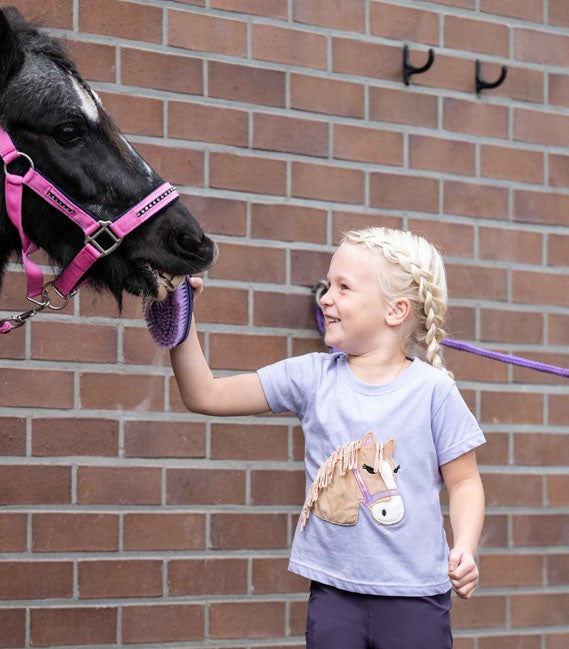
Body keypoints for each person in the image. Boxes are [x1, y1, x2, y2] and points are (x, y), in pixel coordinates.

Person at [170, 227, 485, 649]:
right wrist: (179, 314)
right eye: (329, 284)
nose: (325, 297)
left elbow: (464, 482)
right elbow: (204, 394)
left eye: (344, 287)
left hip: (416, 599)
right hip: (334, 595)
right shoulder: (312, 376)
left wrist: (464, 546)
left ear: (396, 311)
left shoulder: (434, 391)